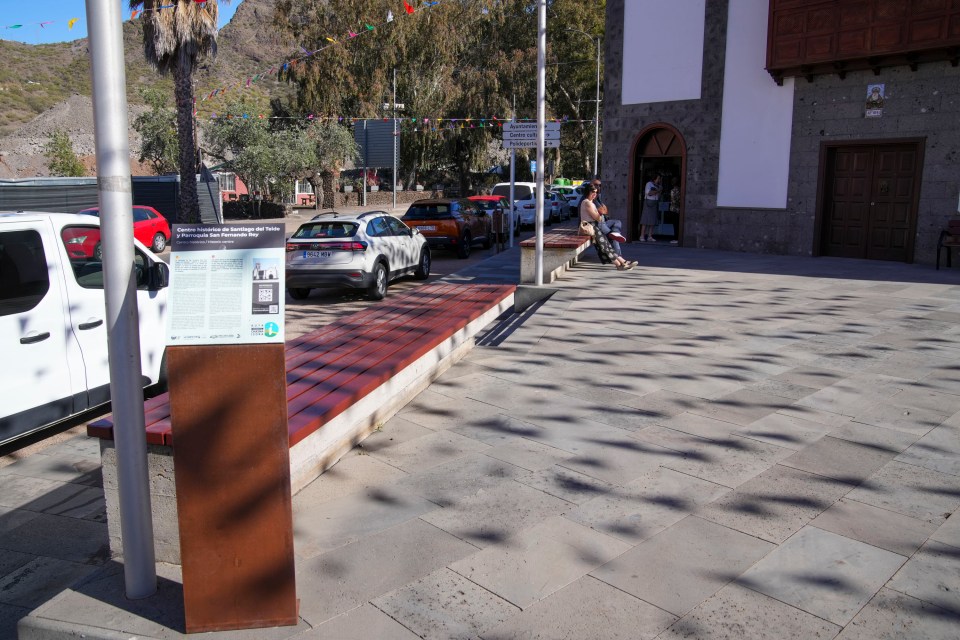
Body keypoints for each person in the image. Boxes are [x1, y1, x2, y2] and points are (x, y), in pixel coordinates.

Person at [580, 184, 636, 270]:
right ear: (588, 192)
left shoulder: (590, 202)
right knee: (605, 248)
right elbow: (597, 217)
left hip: (595, 227)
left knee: (607, 246)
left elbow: (600, 216)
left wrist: (600, 214)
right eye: (593, 192)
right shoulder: (587, 202)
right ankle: (620, 264)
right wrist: (601, 214)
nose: (595, 194)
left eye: (596, 192)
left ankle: (623, 263)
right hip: (591, 228)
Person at [590, 179, 627, 254]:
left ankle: (616, 232)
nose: (598, 187)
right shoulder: (590, 199)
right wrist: (603, 210)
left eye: (600, 185)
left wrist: (603, 210)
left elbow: (605, 211)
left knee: (617, 223)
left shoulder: (597, 197)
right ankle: (619, 258)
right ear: (591, 186)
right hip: (596, 224)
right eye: (596, 185)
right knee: (613, 237)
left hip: (602, 221)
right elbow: (602, 211)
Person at [640, 174, 661, 242]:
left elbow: (659, 195)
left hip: (655, 202)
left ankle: (650, 236)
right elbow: (648, 193)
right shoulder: (649, 184)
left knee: (653, 220)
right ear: (654, 179)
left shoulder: (658, 185)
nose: (659, 180)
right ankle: (642, 236)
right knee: (645, 219)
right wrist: (658, 191)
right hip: (648, 202)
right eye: (658, 178)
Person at [668, 177, 681, 245]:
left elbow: (673, 200)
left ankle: (675, 238)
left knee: (675, 224)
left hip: (674, 208)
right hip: (679, 209)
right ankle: (677, 237)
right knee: (678, 224)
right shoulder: (680, 189)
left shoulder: (673, 190)